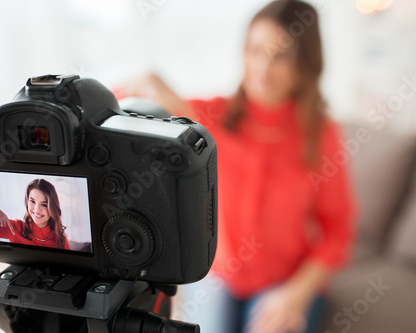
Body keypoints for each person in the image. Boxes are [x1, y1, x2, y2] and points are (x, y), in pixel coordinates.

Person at [120, 1, 356, 332]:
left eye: (280, 56)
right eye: (254, 50)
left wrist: (297, 293)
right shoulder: (210, 116)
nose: (262, 66)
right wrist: (143, 85)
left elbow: (338, 229)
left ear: (305, 63)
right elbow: (125, 104)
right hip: (221, 277)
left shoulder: (322, 134)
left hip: (287, 280)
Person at [0, 178, 70, 250]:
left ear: (52, 207)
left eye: (44, 204)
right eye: (32, 201)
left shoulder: (60, 240)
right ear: (27, 202)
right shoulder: (14, 228)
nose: (36, 209)